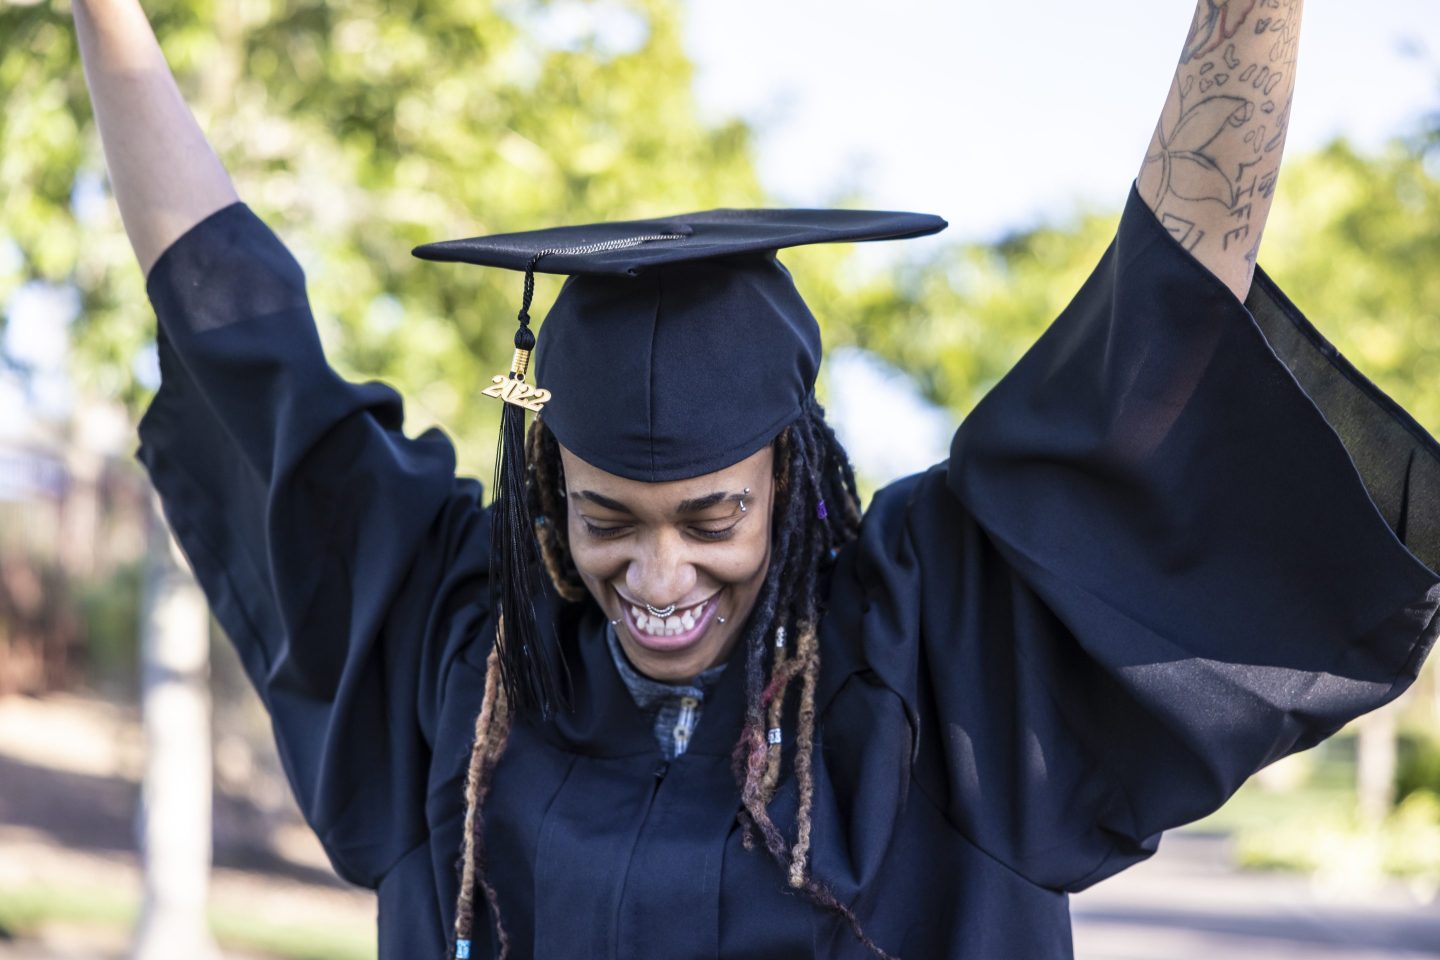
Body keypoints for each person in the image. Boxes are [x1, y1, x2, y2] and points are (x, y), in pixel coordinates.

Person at [73, 0, 1440, 957]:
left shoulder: (934, 645)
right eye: (604, 519)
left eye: (712, 517)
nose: (657, 578)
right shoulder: (463, 643)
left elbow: (1159, 340)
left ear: (791, 482)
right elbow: (233, 336)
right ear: (546, 490)